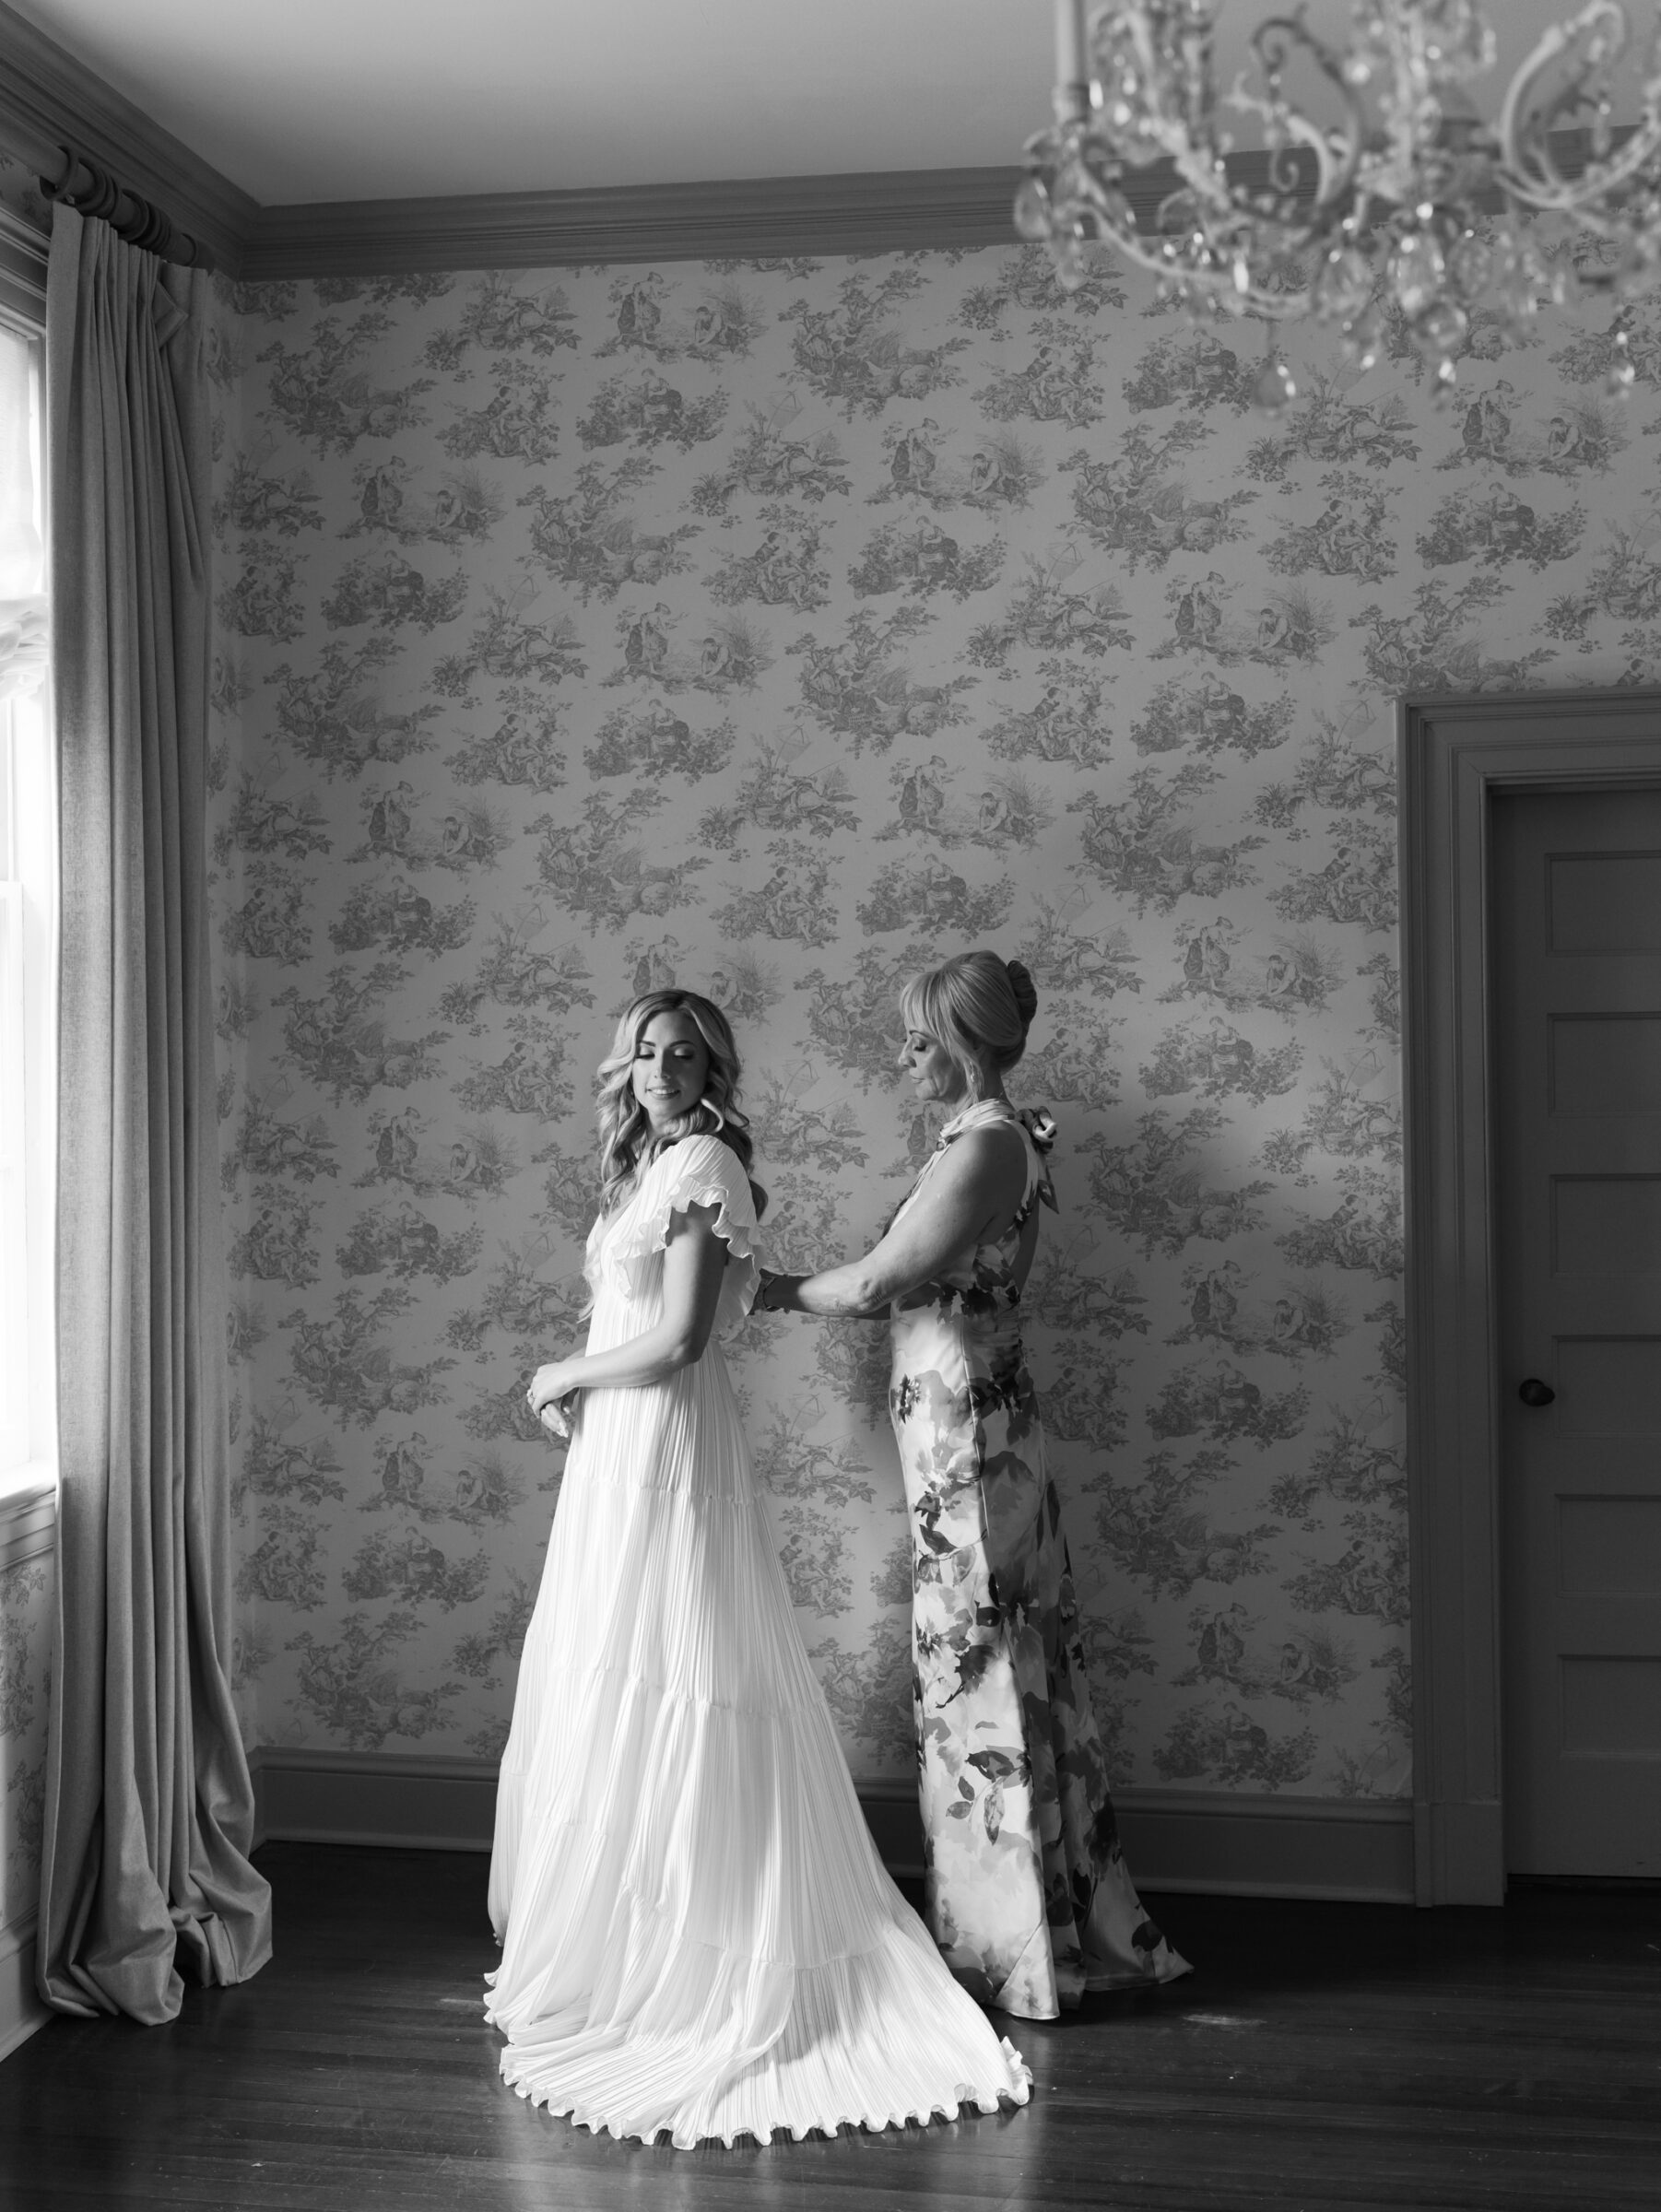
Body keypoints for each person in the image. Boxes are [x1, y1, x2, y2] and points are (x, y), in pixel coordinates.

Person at [488, 988, 1030, 2146]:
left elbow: (683, 1339)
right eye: (645, 1051)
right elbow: (629, 1318)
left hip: (667, 1439)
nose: (661, 1068)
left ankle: (702, 1950)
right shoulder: (648, 1163)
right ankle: (618, 1938)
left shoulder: (706, 1170)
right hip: (622, 1446)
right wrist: (581, 1389)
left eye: (684, 1054)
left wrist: (558, 1377)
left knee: (682, 1668)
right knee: (611, 1659)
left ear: (715, 1069)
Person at [757, 952, 1191, 2020]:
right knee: (989, 1651)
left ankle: (1008, 1952)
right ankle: (1019, 1932)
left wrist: (759, 1288)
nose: (901, 1056)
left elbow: (874, 1285)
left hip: (967, 1430)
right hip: (968, 1416)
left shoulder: (989, 1145)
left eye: (914, 1038)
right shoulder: (992, 1140)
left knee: (976, 1657)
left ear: (959, 1043)